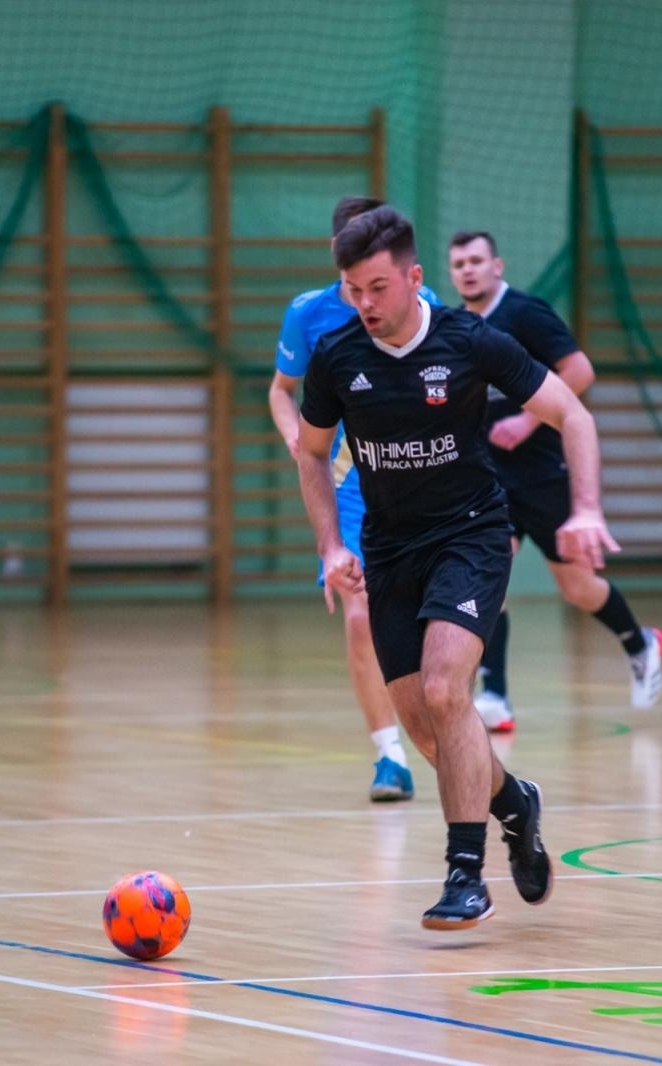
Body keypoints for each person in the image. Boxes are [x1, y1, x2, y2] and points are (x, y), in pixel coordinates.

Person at [297, 206, 617, 930]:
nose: (366, 304)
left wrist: (586, 507)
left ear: (414, 278)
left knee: (447, 688)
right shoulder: (338, 359)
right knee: (428, 729)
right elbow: (311, 452)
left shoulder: (471, 342)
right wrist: (330, 545)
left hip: (471, 535)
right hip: (389, 549)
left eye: (378, 287)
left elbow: (574, 413)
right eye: (354, 290)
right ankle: (515, 803)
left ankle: (465, 873)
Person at [448, 230, 662, 731]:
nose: (468, 270)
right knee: (489, 579)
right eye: (459, 263)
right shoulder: (456, 327)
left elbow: (580, 371)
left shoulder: (525, 314)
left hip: (545, 472)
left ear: (497, 266)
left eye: (477, 261)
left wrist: (527, 419)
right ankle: (495, 696)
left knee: (576, 586)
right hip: (490, 478)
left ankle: (638, 641)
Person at [267, 196, 440, 804]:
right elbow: (281, 390)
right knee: (363, 619)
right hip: (349, 491)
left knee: (437, 622)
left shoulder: (426, 309)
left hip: (418, 484)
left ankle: (458, 720)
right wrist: (297, 440)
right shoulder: (309, 316)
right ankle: (389, 756)